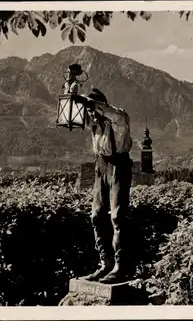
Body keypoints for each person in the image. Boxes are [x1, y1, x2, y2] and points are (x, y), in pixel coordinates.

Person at [73, 87, 134, 284]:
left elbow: (114, 114)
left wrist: (91, 103)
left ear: (101, 106)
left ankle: (120, 266)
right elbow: (75, 116)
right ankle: (105, 263)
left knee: (117, 216)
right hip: (101, 165)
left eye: (94, 108)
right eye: (89, 109)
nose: (90, 113)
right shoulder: (94, 123)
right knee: (96, 216)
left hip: (118, 166)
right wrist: (71, 91)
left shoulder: (118, 119)